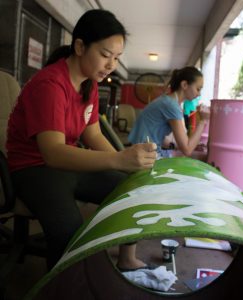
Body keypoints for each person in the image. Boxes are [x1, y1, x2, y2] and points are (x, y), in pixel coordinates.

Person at [6, 9, 156, 270]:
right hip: (34, 169)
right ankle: (60, 290)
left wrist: (128, 165)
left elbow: (93, 133)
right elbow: (52, 152)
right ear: (79, 46)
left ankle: (127, 258)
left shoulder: (90, 83)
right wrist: (118, 158)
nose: (111, 64)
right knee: (70, 235)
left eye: (116, 58)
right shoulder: (50, 85)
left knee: (133, 190)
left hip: (67, 165)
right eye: (105, 55)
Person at [128, 66, 210, 158]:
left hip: (141, 150)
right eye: (198, 89)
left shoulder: (168, 100)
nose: (199, 94)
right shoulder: (171, 106)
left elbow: (162, 141)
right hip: (143, 155)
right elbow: (187, 150)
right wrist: (203, 121)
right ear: (184, 85)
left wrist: (186, 146)